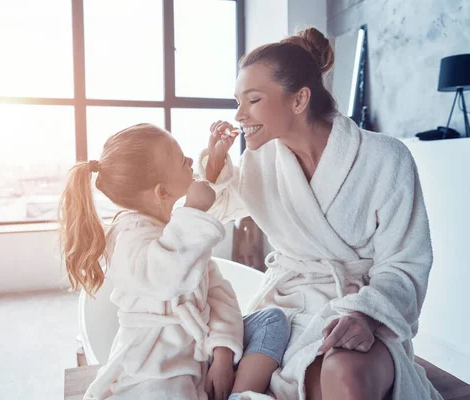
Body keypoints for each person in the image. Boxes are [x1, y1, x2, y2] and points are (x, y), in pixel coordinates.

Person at [200, 27, 442, 400]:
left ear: (299, 100)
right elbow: (214, 212)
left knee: (343, 373)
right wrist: (214, 167)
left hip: (358, 308)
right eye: (238, 101)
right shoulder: (259, 161)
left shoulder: (385, 159)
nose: (238, 115)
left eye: (253, 100)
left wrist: (364, 314)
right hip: (286, 310)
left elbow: (405, 264)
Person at [59, 123, 289, 400]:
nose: (191, 161)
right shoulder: (129, 238)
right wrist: (193, 210)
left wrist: (223, 354)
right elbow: (166, 279)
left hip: (201, 348)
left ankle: (238, 394)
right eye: (182, 161)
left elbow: (218, 293)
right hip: (156, 364)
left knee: (272, 320)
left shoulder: (179, 227)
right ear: (162, 192)